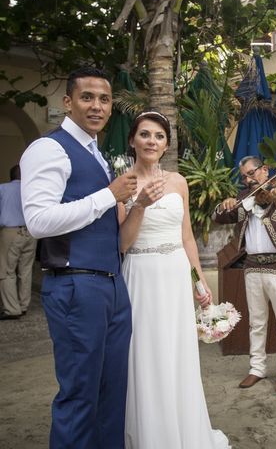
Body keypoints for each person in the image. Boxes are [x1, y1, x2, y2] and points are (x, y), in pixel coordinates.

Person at [20, 67, 137, 448]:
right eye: (87, 97)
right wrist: (109, 195)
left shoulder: (97, 155)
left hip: (111, 284)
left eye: (104, 99)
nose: (97, 106)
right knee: (80, 394)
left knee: (111, 391)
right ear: (68, 102)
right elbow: (38, 221)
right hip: (75, 284)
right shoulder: (48, 148)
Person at [119, 111, 229, 448]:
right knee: (145, 354)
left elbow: (187, 239)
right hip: (140, 275)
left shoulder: (179, 182)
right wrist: (139, 204)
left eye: (159, 136)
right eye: (145, 135)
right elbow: (121, 244)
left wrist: (199, 281)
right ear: (133, 140)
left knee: (177, 353)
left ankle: (183, 432)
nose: (152, 141)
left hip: (175, 275)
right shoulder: (122, 183)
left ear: (166, 144)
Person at [215, 156, 276, 397]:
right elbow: (218, 217)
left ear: (265, 170)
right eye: (244, 176)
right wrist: (226, 204)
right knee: (256, 321)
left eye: (252, 174)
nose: (248, 179)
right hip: (252, 266)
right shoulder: (245, 198)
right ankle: (257, 367)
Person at [0, 165, 37, 320]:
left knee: (7, 271)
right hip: (31, 232)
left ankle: (11, 309)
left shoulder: (2, 189)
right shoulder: (32, 190)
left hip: (11, 231)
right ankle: (23, 305)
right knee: (26, 270)